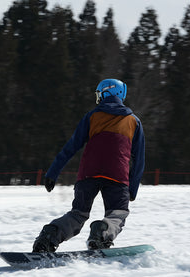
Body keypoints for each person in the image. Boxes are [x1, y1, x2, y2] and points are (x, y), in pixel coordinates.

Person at [32, 79, 145, 253]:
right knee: (117, 214)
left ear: (106, 93)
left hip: (88, 174)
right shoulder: (134, 122)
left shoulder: (92, 116)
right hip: (117, 175)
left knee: (78, 214)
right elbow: (139, 160)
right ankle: (101, 233)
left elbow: (71, 146)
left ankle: (49, 236)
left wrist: (53, 173)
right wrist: (133, 188)